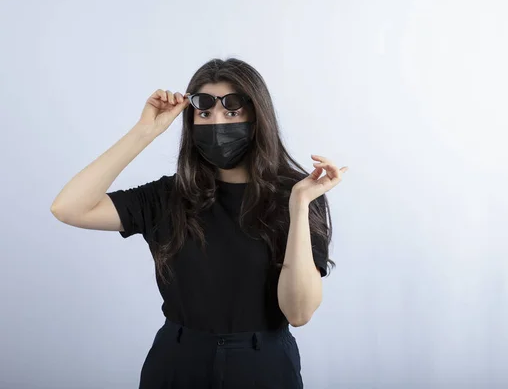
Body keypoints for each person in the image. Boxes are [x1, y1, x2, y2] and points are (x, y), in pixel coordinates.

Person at [50, 58, 348, 388]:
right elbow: (68, 208)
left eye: (232, 111)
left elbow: (299, 313)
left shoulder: (299, 194)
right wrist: (144, 132)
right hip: (178, 362)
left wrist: (299, 205)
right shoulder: (168, 195)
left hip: (263, 364)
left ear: (257, 118)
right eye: (204, 112)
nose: (217, 121)